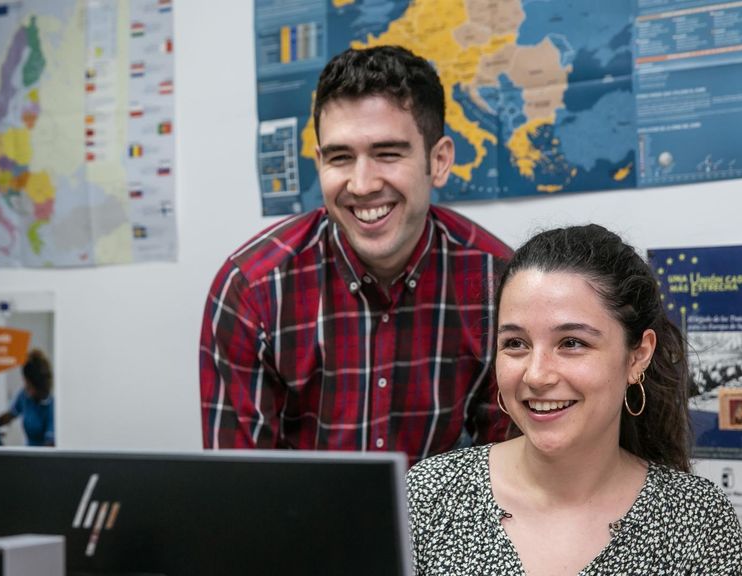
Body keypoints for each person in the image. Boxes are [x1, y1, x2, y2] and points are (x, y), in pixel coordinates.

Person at [199, 45, 512, 466]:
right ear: (319, 163)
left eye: (387, 153)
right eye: (340, 157)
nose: (361, 185)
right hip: (298, 528)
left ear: (438, 161)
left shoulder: (496, 283)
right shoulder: (251, 292)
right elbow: (242, 490)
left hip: (444, 529)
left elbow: (510, 470)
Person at [407, 224, 742, 575]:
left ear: (637, 356)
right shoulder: (427, 497)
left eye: (572, 343)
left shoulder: (697, 522)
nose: (536, 375)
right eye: (515, 343)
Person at [0, 349, 54, 447]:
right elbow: (9, 416)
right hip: (29, 452)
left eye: (29, 385)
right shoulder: (24, 396)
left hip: (44, 456)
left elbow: (50, 445)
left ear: (38, 385)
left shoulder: (51, 407)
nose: (25, 386)